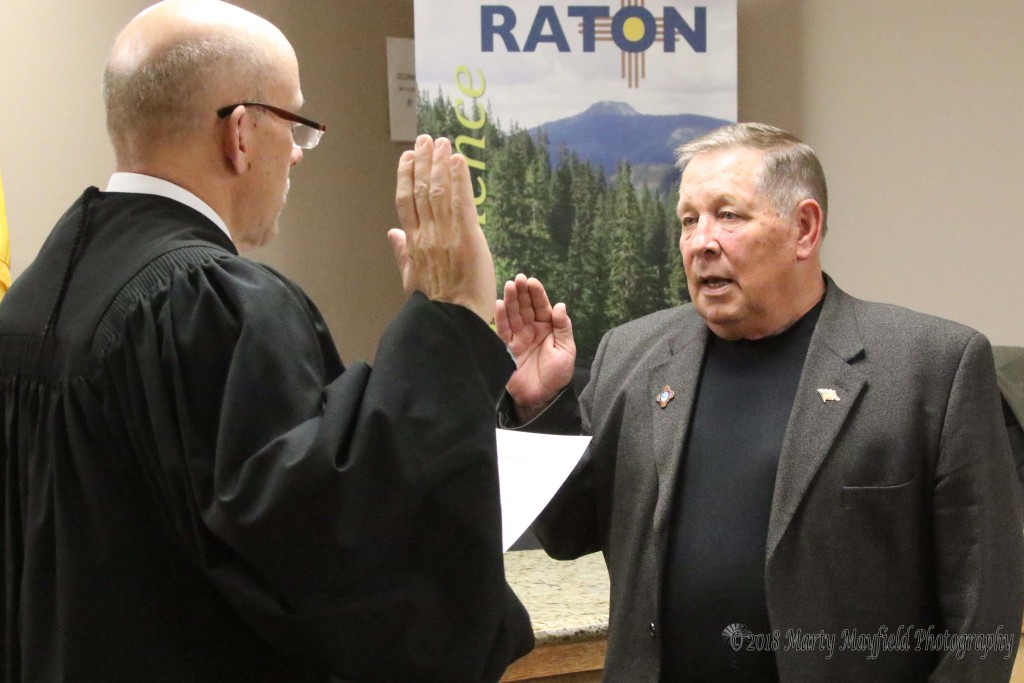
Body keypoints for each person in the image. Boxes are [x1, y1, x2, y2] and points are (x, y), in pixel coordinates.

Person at [0, 1, 533, 680]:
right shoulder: (206, 303)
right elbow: (328, 547)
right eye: (298, 126)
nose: (299, 156)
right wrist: (450, 321)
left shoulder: (38, 292)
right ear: (242, 134)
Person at [495, 122, 1024, 681]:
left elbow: (982, 607)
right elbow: (565, 533)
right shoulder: (632, 354)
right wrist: (541, 407)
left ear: (804, 228)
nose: (702, 241)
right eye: (688, 220)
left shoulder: (930, 366)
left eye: (729, 215)